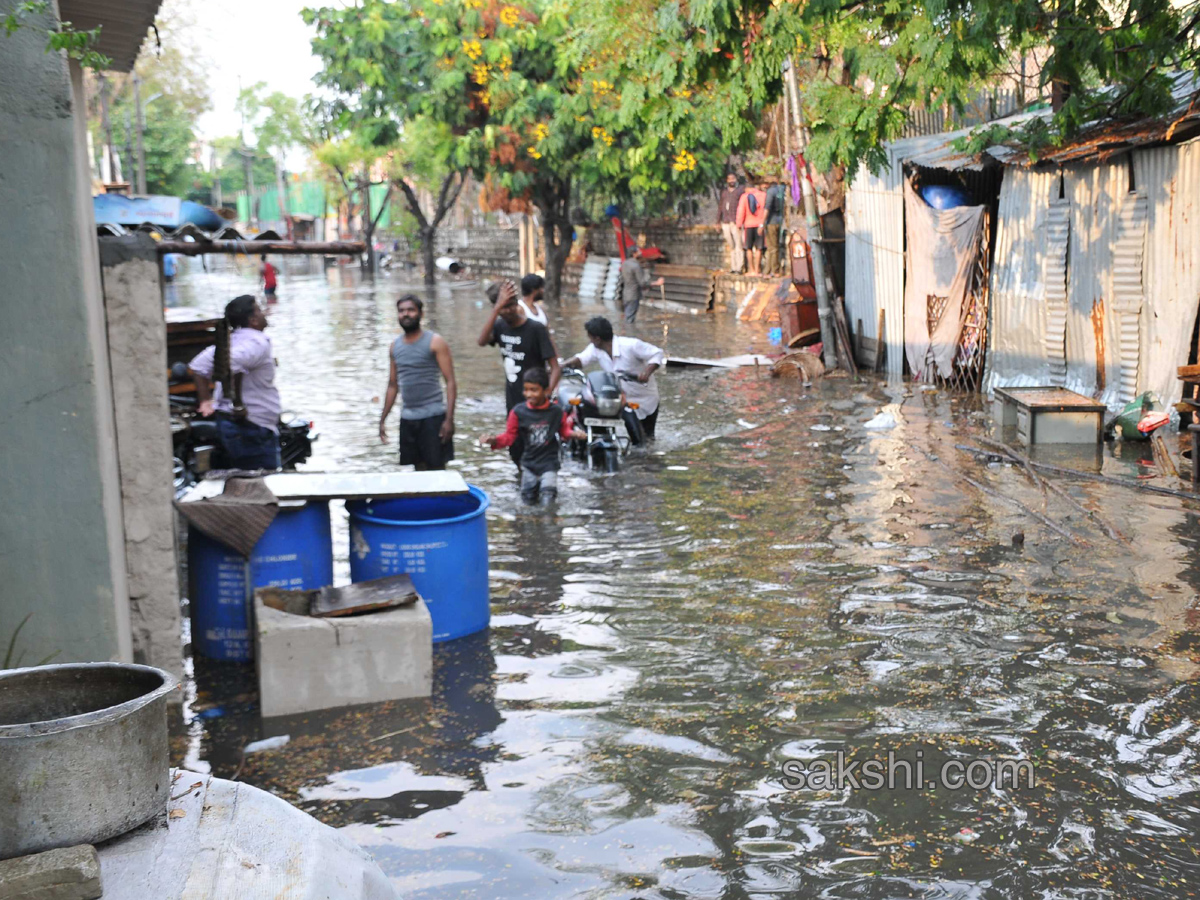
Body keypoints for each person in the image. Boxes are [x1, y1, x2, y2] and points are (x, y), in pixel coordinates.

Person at [188, 295, 281, 470]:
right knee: (259, 484)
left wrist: (206, 400)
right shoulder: (257, 342)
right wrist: (237, 403)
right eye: (259, 310)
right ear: (253, 320)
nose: (264, 314)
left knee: (243, 482)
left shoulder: (235, 340)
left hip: (237, 424)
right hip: (251, 426)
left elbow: (198, 366)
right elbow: (233, 364)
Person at [478, 280, 561, 467]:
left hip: (536, 401)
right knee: (516, 449)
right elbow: (482, 341)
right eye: (502, 307)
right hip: (513, 400)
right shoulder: (499, 326)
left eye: (511, 305)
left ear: (517, 303)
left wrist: (547, 393)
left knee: (539, 450)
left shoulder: (535, 329)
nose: (507, 310)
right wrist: (497, 308)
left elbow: (555, 367)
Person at [484, 369, 585, 505]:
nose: (529, 394)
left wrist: (575, 434)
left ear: (546, 390)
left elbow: (564, 432)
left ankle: (548, 522)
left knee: (548, 497)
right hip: (529, 464)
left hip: (549, 463)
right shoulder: (518, 412)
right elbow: (509, 437)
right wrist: (494, 440)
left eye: (534, 390)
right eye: (526, 390)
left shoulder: (556, 411)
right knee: (527, 501)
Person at [379, 295, 457, 471]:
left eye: (411, 310)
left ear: (421, 314)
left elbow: (450, 382)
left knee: (437, 470)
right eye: (401, 311)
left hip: (433, 417)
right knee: (418, 473)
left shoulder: (435, 342)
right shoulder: (394, 347)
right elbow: (393, 385)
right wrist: (383, 419)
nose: (406, 314)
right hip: (408, 419)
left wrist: (449, 420)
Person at [561, 316, 666, 440]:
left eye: (590, 338)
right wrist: (561, 366)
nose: (590, 341)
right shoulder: (596, 350)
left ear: (597, 339)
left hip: (646, 399)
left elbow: (657, 353)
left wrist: (647, 372)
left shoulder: (631, 345)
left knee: (647, 437)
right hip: (622, 400)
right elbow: (581, 359)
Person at [617, 247, 664, 325]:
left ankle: (625, 332)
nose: (640, 253)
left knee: (627, 315)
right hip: (633, 295)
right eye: (638, 252)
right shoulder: (636, 266)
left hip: (625, 294)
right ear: (634, 254)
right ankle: (629, 333)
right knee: (630, 319)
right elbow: (642, 283)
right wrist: (657, 283)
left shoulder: (625, 263)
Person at [737, 178, 769, 276]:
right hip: (760, 225)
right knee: (759, 248)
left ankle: (751, 270)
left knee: (749, 248)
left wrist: (739, 224)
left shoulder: (744, 196)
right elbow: (766, 210)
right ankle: (757, 270)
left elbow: (741, 211)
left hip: (748, 225)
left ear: (747, 188)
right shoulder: (763, 195)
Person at [717, 171, 745, 273]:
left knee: (738, 245)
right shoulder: (724, 192)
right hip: (726, 222)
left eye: (733, 179)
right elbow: (720, 206)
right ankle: (733, 267)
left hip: (735, 221)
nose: (731, 181)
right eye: (730, 179)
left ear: (736, 179)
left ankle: (739, 267)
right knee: (731, 245)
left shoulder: (739, 191)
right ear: (727, 180)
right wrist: (717, 221)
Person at [765, 180, 785, 276]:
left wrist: (762, 223)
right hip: (780, 221)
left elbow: (767, 208)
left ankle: (774, 270)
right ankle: (768, 270)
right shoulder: (782, 190)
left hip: (771, 222)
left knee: (772, 247)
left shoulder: (771, 191)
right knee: (775, 246)